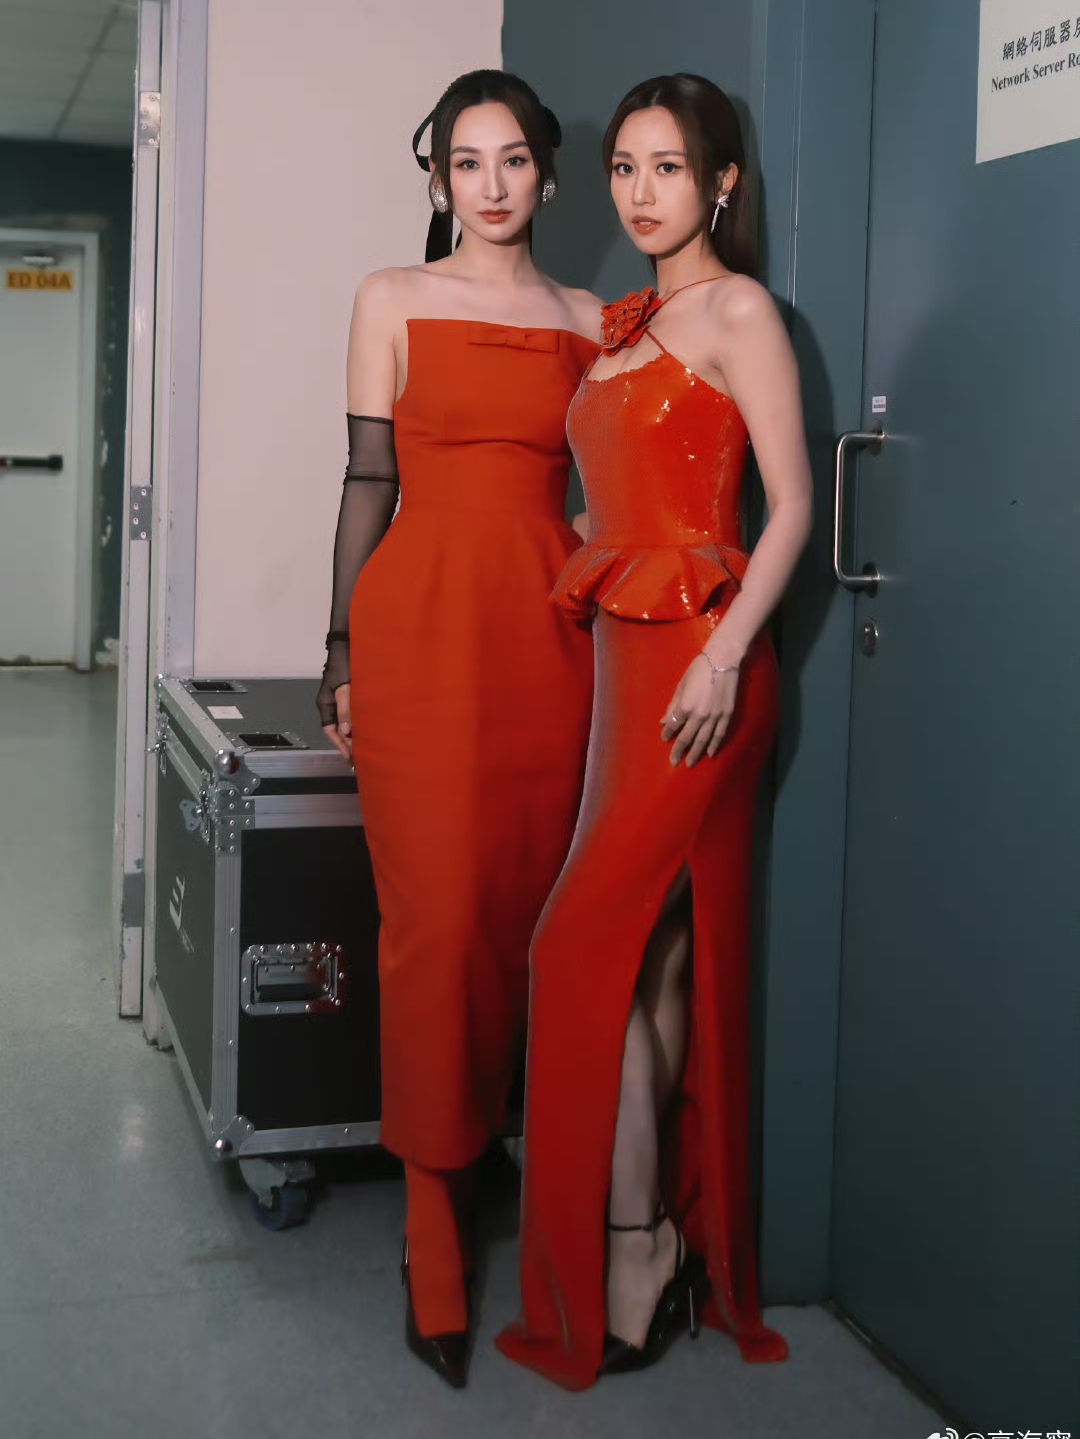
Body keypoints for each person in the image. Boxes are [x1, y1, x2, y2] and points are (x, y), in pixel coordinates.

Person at [496, 73, 813, 1390]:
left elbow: (793, 508)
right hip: (630, 667)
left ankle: (635, 1244)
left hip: (702, 668)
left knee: (581, 946)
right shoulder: (628, 323)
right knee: (655, 963)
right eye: (624, 167)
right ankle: (664, 1238)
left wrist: (726, 659)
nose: (639, 192)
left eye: (667, 168)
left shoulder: (740, 312)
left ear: (721, 183)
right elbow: (612, 500)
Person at [315, 70, 601, 1390]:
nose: (491, 185)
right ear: (438, 177)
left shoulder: (593, 319)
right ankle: (433, 1223)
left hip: (548, 642)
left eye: (514, 160)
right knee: (431, 927)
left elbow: (620, 484)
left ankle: (500, 1166)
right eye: (467, 163)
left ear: (547, 172)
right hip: (418, 634)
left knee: (518, 922)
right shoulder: (391, 296)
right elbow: (369, 475)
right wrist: (339, 653)